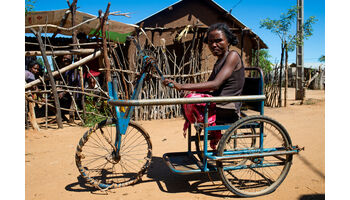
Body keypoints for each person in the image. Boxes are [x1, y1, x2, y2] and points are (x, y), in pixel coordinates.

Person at [163, 23, 245, 148]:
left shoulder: (232, 56)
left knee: (190, 99)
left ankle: (215, 134)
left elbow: (215, 85)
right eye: (210, 42)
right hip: (219, 102)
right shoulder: (219, 61)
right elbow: (210, 84)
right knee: (188, 98)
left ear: (228, 41)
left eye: (218, 41)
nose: (213, 45)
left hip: (227, 106)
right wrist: (190, 91)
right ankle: (214, 133)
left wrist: (182, 86)